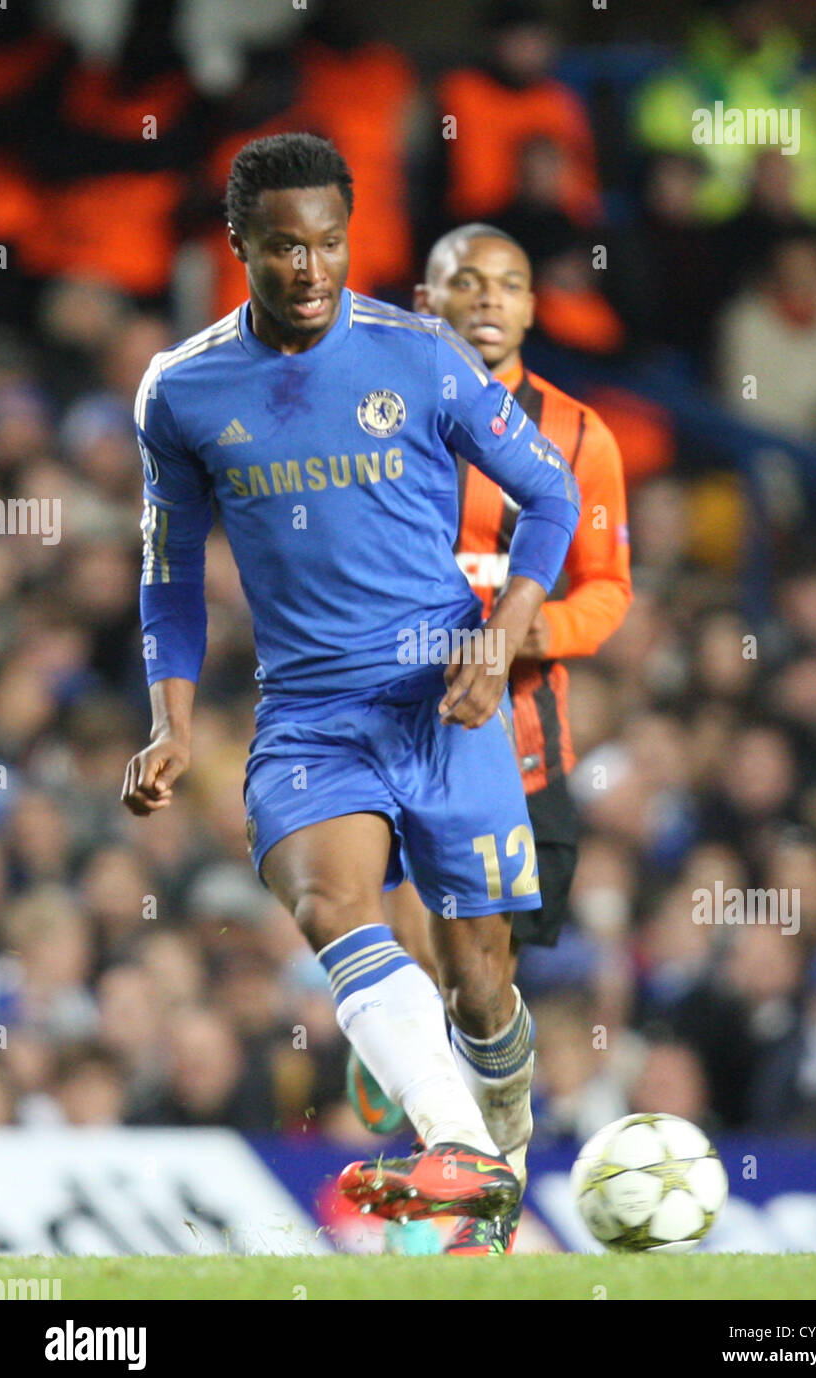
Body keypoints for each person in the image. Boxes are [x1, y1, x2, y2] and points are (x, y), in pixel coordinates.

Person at [121, 134, 580, 1252]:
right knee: (332, 908)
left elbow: (551, 496)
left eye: (330, 243)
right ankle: (460, 1151)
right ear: (239, 246)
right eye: (283, 247)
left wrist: (504, 635)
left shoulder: (419, 354)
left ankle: (496, 1147)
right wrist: (170, 723)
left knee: (481, 986)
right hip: (311, 717)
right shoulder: (182, 391)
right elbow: (170, 573)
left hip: (443, 698)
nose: (311, 269)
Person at [347, 224, 631, 1254]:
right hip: (400, 728)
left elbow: (608, 592)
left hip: (525, 747)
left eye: (510, 283)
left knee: (489, 984)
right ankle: (452, 1172)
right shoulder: (374, 409)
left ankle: (477, 1168)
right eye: (464, 279)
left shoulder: (581, 433)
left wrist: (517, 625)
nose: (486, 298)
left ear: (532, 308)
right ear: (425, 295)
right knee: (421, 936)